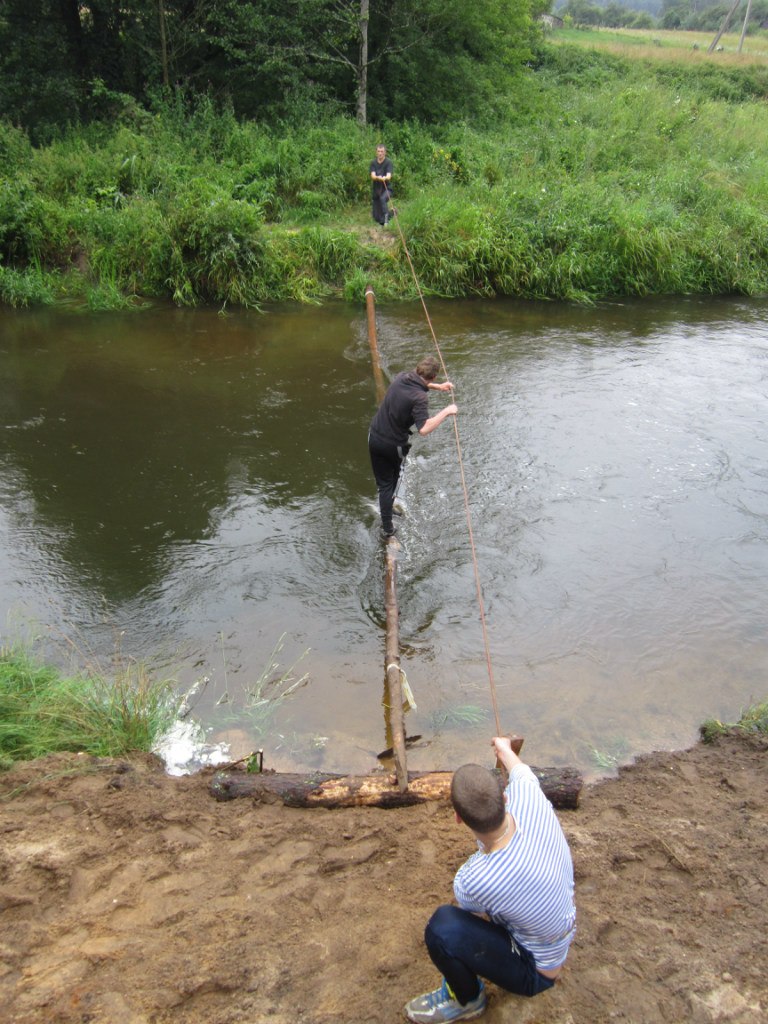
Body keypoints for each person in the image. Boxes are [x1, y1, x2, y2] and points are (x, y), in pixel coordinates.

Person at [404, 736, 576, 1023]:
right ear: (505, 797)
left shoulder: (473, 879)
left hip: (536, 971)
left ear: (458, 818)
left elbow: (474, 909)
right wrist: (505, 749)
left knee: (442, 928)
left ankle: (467, 1000)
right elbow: (519, 769)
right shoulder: (530, 794)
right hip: (560, 934)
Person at [368, 355, 457, 538]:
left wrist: (439, 387)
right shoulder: (420, 397)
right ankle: (387, 529)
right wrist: (447, 412)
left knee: (386, 482)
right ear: (432, 376)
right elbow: (424, 429)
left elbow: (421, 383)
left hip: (374, 436)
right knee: (389, 483)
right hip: (392, 445)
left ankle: (387, 511)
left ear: (418, 370)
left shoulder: (403, 376)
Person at [370, 144, 393, 226]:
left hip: (387, 189)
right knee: (377, 218)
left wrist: (385, 178)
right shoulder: (373, 163)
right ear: (376, 152)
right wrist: (378, 177)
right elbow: (372, 176)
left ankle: (386, 221)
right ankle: (392, 213)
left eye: (382, 151)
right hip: (376, 190)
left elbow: (389, 176)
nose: (380, 153)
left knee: (383, 199)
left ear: (385, 152)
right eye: (378, 151)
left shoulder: (388, 162)